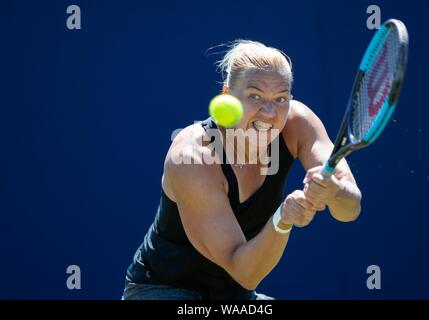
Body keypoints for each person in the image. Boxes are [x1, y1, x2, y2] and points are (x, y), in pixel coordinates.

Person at [122, 40, 362, 300]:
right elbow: (245, 272)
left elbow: (350, 210)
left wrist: (334, 191)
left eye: (281, 98)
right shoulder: (192, 158)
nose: (269, 112)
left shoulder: (298, 124)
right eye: (255, 96)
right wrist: (283, 218)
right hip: (162, 290)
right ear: (227, 96)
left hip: (235, 297)